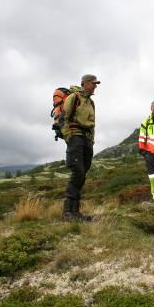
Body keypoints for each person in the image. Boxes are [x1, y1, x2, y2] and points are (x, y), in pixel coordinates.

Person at [61, 74, 99, 221]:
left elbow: (93, 123)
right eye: (93, 83)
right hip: (75, 138)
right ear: (85, 83)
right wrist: (69, 137)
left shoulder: (92, 103)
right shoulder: (74, 98)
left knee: (82, 175)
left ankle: (75, 212)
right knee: (78, 172)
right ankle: (67, 212)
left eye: (96, 84)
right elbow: (63, 118)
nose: (95, 86)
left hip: (87, 141)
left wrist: (92, 140)